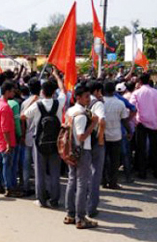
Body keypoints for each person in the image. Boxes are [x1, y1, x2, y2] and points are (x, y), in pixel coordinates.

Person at [22, 71, 66, 207]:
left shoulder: (37, 105)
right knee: (54, 172)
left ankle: (41, 199)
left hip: (39, 140)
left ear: (42, 91)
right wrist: (58, 77)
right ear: (54, 92)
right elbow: (63, 90)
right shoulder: (59, 102)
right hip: (56, 141)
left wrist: (34, 101)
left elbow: (23, 116)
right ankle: (54, 199)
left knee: (39, 172)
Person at [64, 84, 99, 229]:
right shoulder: (82, 115)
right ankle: (80, 218)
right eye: (86, 96)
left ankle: (70, 214)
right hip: (82, 150)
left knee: (72, 181)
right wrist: (93, 124)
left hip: (70, 150)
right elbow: (81, 136)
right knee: (81, 184)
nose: (88, 99)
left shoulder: (70, 110)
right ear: (78, 97)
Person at [129, 73, 157, 179]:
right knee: (154, 149)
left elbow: (132, 108)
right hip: (154, 123)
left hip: (141, 123)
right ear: (149, 80)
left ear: (139, 81)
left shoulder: (136, 93)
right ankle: (156, 172)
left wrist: (134, 120)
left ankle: (142, 172)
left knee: (141, 149)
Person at [0, 81, 18, 197]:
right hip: (6, 139)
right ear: (7, 92)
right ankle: (9, 187)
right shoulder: (5, 107)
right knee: (6, 164)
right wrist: (8, 144)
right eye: (12, 91)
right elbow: (6, 128)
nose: (14, 93)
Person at [103, 81, 130, 190]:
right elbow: (124, 120)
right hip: (116, 135)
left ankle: (103, 181)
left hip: (103, 135)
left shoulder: (100, 103)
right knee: (115, 161)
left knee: (103, 159)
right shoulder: (120, 103)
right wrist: (129, 131)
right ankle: (113, 182)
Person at [86, 80, 106, 217]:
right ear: (97, 91)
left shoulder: (82, 101)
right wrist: (100, 138)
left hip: (82, 141)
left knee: (81, 175)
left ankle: (79, 205)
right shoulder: (98, 104)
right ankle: (91, 207)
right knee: (95, 174)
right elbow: (102, 121)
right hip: (94, 142)